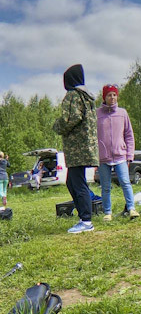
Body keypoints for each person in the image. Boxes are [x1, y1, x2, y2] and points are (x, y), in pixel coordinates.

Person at [52, 64, 99, 234]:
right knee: (72, 182)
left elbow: (69, 119)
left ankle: (86, 221)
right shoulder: (87, 97)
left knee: (78, 184)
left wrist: (56, 126)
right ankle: (83, 217)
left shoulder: (73, 95)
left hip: (77, 149)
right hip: (85, 146)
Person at [96, 84, 138, 221]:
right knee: (106, 187)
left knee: (125, 182)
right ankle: (107, 212)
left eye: (114, 94)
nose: (112, 97)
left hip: (121, 155)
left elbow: (129, 135)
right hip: (103, 158)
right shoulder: (97, 114)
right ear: (104, 97)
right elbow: (93, 136)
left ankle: (131, 208)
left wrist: (129, 156)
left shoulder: (122, 113)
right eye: (109, 95)